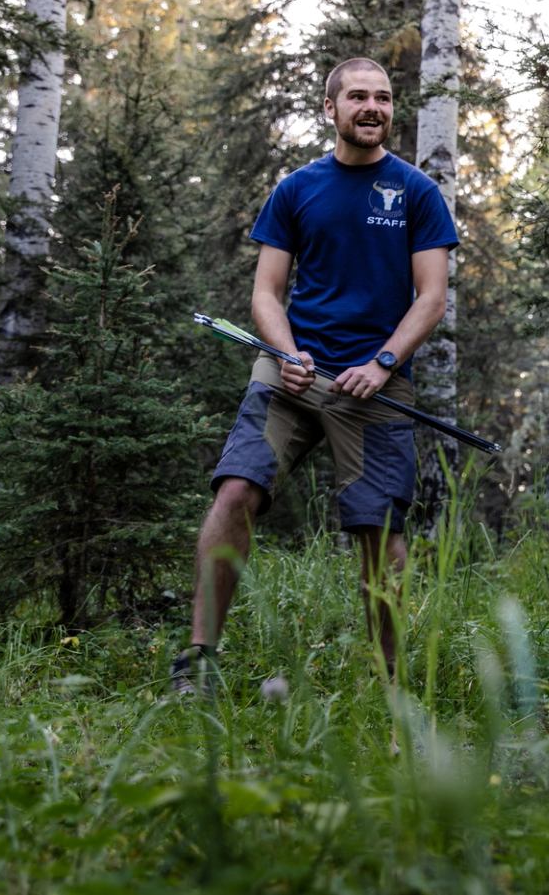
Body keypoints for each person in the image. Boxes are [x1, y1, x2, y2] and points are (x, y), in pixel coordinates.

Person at [173, 58, 458, 697]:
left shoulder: (417, 192)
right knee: (235, 494)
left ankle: (388, 686)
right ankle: (196, 662)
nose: (373, 108)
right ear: (329, 108)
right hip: (291, 373)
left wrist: (382, 364)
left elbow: (431, 297)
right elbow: (266, 295)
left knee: (378, 534)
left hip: (376, 385)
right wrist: (288, 353)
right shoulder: (297, 189)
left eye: (383, 98)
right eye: (358, 97)